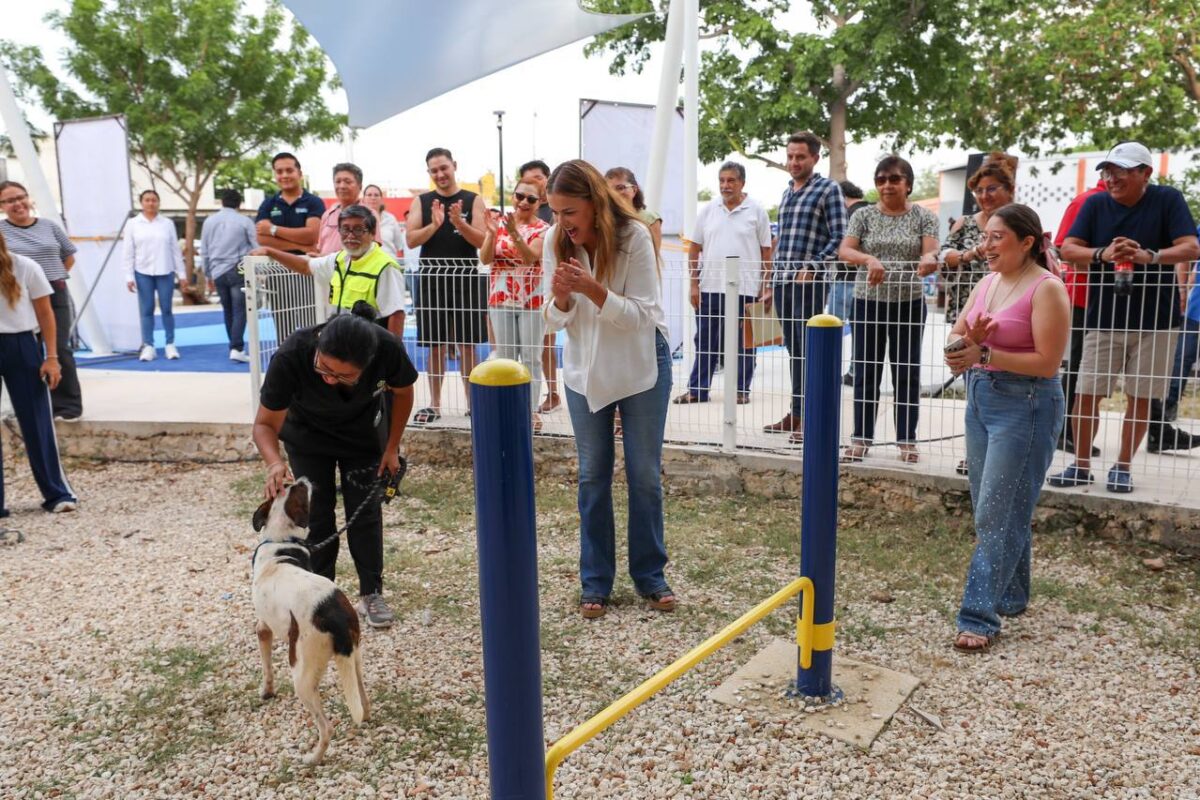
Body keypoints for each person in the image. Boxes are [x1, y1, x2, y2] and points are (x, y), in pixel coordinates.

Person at [543, 159, 675, 619]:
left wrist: (593, 290)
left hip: (641, 366)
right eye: (555, 212)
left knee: (644, 476)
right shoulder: (554, 240)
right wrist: (562, 297)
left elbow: (643, 314)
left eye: (569, 212)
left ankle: (650, 577)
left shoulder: (633, 236)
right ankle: (595, 582)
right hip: (584, 371)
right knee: (592, 476)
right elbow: (553, 318)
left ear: (594, 203)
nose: (562, 222)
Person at [943, 204, 1070, 651]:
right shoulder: (987, 282)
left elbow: (1048, 363)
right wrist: (967, 345)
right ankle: (1012, 595)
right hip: (981, 398)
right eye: (986, 236)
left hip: (1027, 405)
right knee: (996, 505)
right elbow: (956, 340)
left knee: (996, 511)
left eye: (997, 237)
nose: (986, 245)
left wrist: (985, 355)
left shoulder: (1047, 289)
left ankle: (978, 616)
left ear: (1027, 242)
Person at [254, 302, 417, 629]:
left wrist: (392, 447)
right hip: (307, 436)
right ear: (318, 349)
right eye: (324, 369)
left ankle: (371, 592)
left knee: (365, 513)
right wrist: (274, 463)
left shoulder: (386, 348)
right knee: (316, 515)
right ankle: (318, 591)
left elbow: (403, 392)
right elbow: (263, 425)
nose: (330, 380)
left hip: (363, 437)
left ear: (368, 365)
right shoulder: (292, 355)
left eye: (344, 376)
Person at [1052, 142, 1200, 493]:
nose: (1112, 178)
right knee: (1086, 394)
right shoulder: (1094, 203)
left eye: (1121, 171)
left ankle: (1122, 467)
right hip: (1103, 318)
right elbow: (1067, 249)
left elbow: (1192, 247)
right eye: (1108, 171)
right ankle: (1082, 464)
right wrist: (1103, 253)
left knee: (1142, 396)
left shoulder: (1168, 200)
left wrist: (1150, 255)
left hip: (1157, 323)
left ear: (1145, 173)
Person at [838, 155, 939, 463]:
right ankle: (861, 438)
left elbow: (931, 251)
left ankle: (907, 440)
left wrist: (928, 260)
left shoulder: (924, 217)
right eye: (880, 180)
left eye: (894, 179)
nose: (887, 185)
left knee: (906, 373)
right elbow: (845, 250)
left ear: (908, 184)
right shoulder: (864, 216)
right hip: (867, 304)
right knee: (866, 371)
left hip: (908, 304)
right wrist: (868, 260)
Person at [762, 131, 847, 442]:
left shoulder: (828, 190)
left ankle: (810, 417)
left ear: (815, 158)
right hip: (784, 281)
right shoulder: (787, 192)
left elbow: (840, 237)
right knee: (794, 350)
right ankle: (796, 414)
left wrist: (813, 266)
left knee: (809, 350)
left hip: (810, 283)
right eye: (790, 156)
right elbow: (781, 242)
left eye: (800, 157)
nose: (794, 162)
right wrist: (770, 282)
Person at [675, 161, 772, 405]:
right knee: (706, 341)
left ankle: (741, 391)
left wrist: (766, 286)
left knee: (745, 343)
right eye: (722, 181)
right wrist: (694, 284)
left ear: (742, 183)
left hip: (747, 288)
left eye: (731, 181)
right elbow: (694, 249)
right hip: (710, 287)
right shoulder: (708, 210)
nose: (725, 186)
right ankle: (697, 390)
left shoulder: (757, 211)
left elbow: (766, 253)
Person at [406, 147, 487, 424]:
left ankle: (472, 403)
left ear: (454, 165)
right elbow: (411, 240)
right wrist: (436, 225)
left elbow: (481, 241)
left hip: (465, 278)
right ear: (429, 173)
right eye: (434, 170)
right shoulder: (422, 201)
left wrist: (457, 224)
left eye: (444, 168)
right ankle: (435, 404)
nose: (440, 174)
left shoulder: (473, 200)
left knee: (467, 345)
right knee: (435, 345)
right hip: (432, 279)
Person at [0, 229, 78, 515]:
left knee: (37, 420)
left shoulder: (25, 266)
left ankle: (57, 493)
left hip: (22, 344)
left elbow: (46, 313)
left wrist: (52, 357)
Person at [252, 205, 407, 337]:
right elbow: (305, 266)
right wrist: (270, 251)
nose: (351, 236)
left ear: (373, 233)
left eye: (359, 230)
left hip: (369, 347)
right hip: (340, 341)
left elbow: (396, 314)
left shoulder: (385, 267)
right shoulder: (340, 259)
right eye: (345, 229)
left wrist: (391, 357)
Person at [0, 180, 83, 419]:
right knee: (28, 351)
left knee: (60, 349)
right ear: (2, 205)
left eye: (21, 197)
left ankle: (67, 406)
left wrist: (48, 278)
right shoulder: (1, 231)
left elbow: (68, 257)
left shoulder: (50, 226)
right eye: (10, 200)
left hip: (53, 293)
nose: (18, 203)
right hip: (18, 298)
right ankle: (34, 405)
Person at [480, 179, 550, 427]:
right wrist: (490, 233)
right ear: (513, 197)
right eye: (520, 196)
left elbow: (531, 257)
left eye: (531, 199)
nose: (523, 202)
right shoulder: (499, 224)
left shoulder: (543, 229)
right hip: (501, 298)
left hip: (531, 299)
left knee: (531, 356)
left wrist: (512, 233)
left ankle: (530, 411)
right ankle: (509, 408)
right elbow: (486, 258)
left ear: (540, 202)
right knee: (506, 357)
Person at [1053, 177, 1108, 457]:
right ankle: (1063, 429)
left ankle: (1160, 429)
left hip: (1117, 300)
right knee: (1077, 363)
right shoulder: (1086, 201)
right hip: (1084, 297)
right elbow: (1062, 247)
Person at [936, 153, 1018, 326]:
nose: (984, 195)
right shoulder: (965, 222)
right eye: (979, 191)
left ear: (1009, 190)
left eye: (992, 189)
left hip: (1008, 308)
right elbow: (943, 255)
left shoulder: (1021, 222)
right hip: (967, 309)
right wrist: (967, 255)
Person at [254, 153, 327, 343]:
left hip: (307, 270)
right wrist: (298, 245)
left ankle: (313, 366)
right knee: (283, 327)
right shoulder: (268, 204)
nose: (284, 175)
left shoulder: (313, 202)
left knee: (311, 325)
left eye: (289, 170)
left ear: (299, 173)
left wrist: (274, 229)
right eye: (279, 171)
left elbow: (312, 234)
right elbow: (262, 239)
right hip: (277, 272)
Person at [123, 190, 186, 362]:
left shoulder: (167, 223)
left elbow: (175, 249)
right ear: (141, 203)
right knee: (146, 309)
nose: (151, 203)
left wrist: (181, 274)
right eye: (147, 200)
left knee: (167, 309)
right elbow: (128, 252)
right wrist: (128, 276)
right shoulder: (133, 224)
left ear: (158, 202)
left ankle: (170, 344)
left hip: (165, 271)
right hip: (143, 272)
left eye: (154, 200)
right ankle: (148, 345)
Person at [521, 159, 560, 411]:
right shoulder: (523, 210)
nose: (534, 184)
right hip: (523, 288)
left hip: (549, 283)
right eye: (528, 179)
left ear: (547, 178)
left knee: (546, 341)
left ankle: (553, 391)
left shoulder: (556, 208)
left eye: (538, 178)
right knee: (527, 345)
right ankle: (529, 394)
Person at [200, 188, 257, 363]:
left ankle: (233, 346)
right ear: (239, 204)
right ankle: (237, 347)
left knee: (228, 310)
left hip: (217, 270)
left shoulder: (209, 222)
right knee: (241, 310)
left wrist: (207, 273)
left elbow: (204, 250)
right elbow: (255, 246)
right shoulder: (245, 221)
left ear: (222, 202)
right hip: (238, 268)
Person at [831, 180, 869, 386]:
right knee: (861, 331)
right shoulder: (872, 210)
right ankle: (856, 371)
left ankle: (829, 368)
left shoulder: (847, 214)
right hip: (866, 281)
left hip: (845, 278)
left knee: (832, 329)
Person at [1163, 249, 1199, 426]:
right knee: (1183, 356)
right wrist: (1182, 291)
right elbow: (1185, 258)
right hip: (1195, 311)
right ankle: (1169, 403)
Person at [316, 163, 381, 256]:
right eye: (338, 181)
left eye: (348, 182)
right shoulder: (327, 214)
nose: (342, 186)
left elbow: (373, 250)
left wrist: (331, 259)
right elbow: (320, 247)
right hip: (326, 269)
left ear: (360, 186)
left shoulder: (370, 214)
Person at [604, 167, 662, 257]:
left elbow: (653, 257)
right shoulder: (604, 219)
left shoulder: (650, 219)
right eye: (609, 190)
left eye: (620, 188)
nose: (614, 194)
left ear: (634, 190)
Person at [364, 184, 405, 260]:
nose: (373, 198)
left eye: (376, 195)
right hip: (367, 266)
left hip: (388, 265)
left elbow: (399, 245)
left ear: (381, 199)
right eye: (369, 195)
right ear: (363, 199)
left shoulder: (390, 219)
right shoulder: (358, 220)